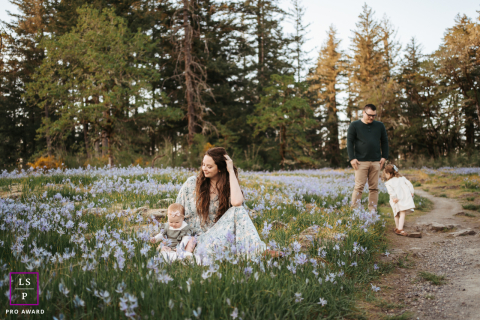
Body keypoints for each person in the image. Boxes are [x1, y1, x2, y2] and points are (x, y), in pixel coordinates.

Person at [175, 147, 277, 259]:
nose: (204, 169)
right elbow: (176, 210)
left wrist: (231, 171)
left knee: (238, 209)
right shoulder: (191, 184)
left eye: (209, 166)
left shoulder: (228, 188)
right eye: (203, 164)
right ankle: (257, 252)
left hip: (218, 236)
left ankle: (259, 251)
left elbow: (237, 203)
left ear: (220, 168)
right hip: (194, 241)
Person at [347, 104, 389, 212]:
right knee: (359, 187)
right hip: (360, 162)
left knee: (374, 188)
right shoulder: (354, 125)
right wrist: (352, 158)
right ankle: (355, 212)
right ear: (363, 112)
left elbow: (384, 142)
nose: (371, 117)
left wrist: (384, 157)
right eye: (369, 115)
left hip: (376, 162)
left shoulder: (380, 125)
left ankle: (372, 212)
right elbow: (349, 142)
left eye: (374, 115)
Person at [383, 164, 415, 236]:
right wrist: (411, 192)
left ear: (388, 173)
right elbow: (410, 184)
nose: (385, 176)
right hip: (403, 198)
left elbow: (391, 191)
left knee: (396, 213)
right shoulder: (402, 178)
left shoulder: (388, 183)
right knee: (402, 213)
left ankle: (399, 228)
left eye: (385, 174)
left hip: (395, 200)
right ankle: (399, 228)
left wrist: (394, 197)